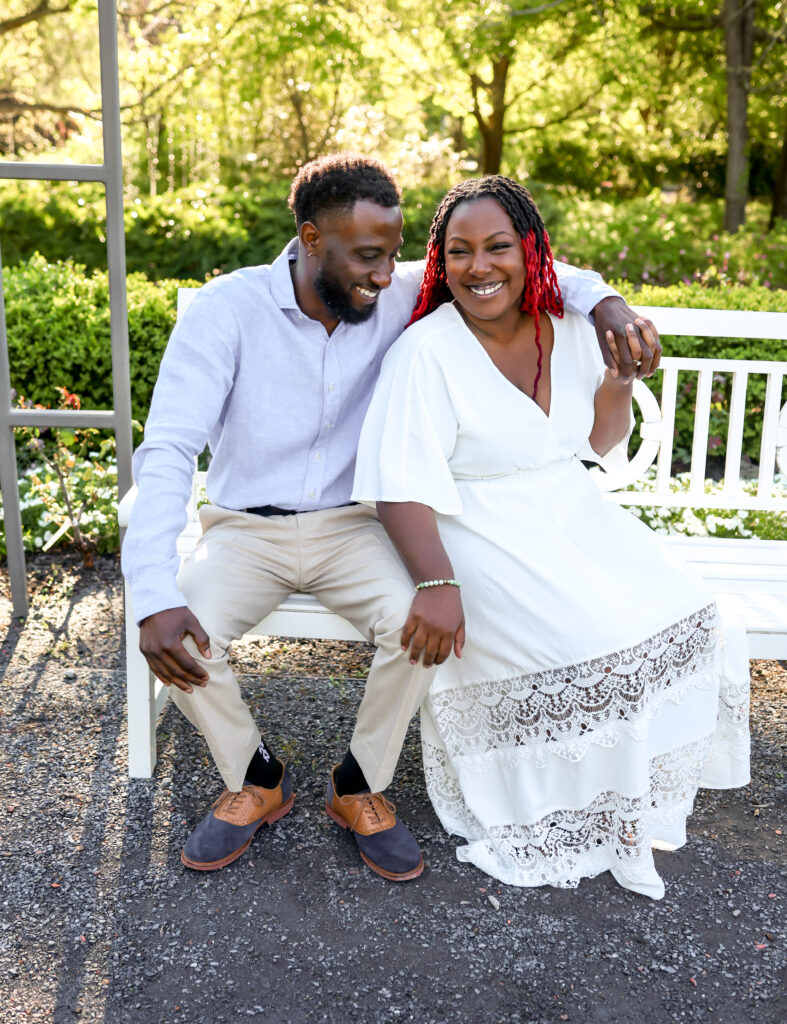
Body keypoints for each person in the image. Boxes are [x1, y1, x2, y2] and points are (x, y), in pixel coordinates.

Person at [122, 154, 662, 882]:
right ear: (311, 240)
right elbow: (168, 449)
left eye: (394, 256)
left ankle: (358, 785)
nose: (385, 276)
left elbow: (521, 259)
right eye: (368, 258)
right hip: (244, 531)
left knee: (420, 626)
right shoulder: (228, 310)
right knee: (184, 637)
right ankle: (254, 774)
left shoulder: (394, 291)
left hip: (354, 527)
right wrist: (154, 592)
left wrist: (605, 304)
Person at [352, 175, 750, 898]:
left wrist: (619, 379)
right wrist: (436, 585)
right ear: (440, 264)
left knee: (695, 613)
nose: (479, 267)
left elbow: (596, 439)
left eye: (497, 246)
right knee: (584, 640)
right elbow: (398, 487)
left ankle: (625, 798)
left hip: (568, 510)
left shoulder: (566, 326)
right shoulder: (426, 351)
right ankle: (559, 809)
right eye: (459, 251)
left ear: (531, 251)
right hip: (470, 525)